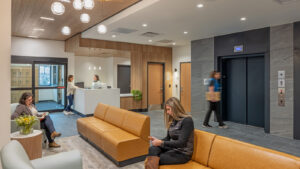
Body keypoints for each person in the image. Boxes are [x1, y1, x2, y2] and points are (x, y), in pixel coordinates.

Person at [145, 97, 194, 169]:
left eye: (168, 109)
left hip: (182, 153)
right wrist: (157, 140)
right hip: (172, 148)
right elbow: (167, 138)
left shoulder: (187, 121)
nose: (167, 112)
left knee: (154, 159)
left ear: (176, 108)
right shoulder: (173, 120)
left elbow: (181, 143)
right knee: (152, 149)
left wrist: (161, 143)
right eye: (166, 110)